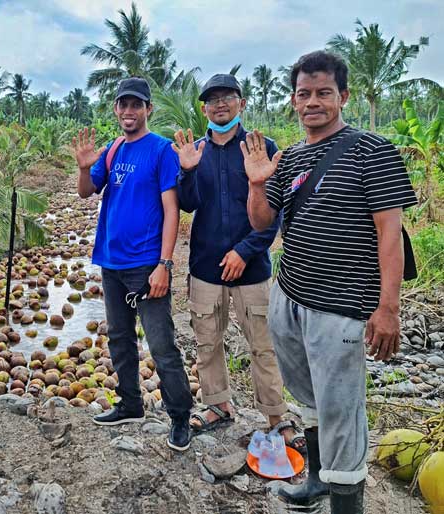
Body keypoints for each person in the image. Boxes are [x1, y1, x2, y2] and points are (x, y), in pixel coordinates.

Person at [243, 51, 417, 513]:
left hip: (339, 307)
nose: (313, 102)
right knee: (309, 397)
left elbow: (390, 237)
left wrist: (388, 309)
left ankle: (346, 504)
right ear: (294, 101)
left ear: (343, 96)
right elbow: (261, 222)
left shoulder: (372, 151)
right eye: (304, 94)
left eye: (323, 93)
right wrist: (258, 183)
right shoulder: (291, 156)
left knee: (343, 412)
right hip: (290, 296)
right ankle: (317, 482)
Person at [174, 74, 304, 451]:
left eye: (227, 97)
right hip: (205, 266)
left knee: (263, 344)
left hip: (253, 270)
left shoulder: (261, 148)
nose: (220, 104)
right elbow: (190, 204)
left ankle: (278, 418)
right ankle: (218, 406)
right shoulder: (196, 151)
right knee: (207, 341)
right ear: (204, 108)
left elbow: (273, 215)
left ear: (241, 103)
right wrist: (187, 171)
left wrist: (245, 251)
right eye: (212, 99)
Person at [72, 77, 194, 452]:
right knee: (120, 337)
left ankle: (179, 418)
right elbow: (85, 191)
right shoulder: (111, 152)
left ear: (147, 110)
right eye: (123, 105)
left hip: (146, 266)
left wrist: (164, 264)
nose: (129, 111)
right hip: (111, 262)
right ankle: (130, 403)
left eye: (136, 105)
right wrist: (82, 168)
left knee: (161, 344)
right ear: (116, 109)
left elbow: (172, 210)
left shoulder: (160, 151)